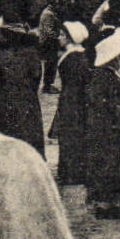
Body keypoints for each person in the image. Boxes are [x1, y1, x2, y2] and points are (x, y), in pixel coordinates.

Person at [86, 32, 120, 218]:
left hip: (113, 127)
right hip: (107, 129)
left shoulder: (114, 74)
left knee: (113, 163)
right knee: (108, 164)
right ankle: (105, 204)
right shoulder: (103, 78)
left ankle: (110, 201)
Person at [0, 22, 46, 157]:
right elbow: (37, 76)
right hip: (26, 97)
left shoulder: (3, 53)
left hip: (5, 97)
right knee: (27, 131)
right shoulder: (31, 53)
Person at [50, 22, 92, 186]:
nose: (59, 37)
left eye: (62, 35)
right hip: (72, 98)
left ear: (70, 38)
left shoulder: (73, 58)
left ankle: (71, 172)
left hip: (72, 100)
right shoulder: (76, 55)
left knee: (70, 134)